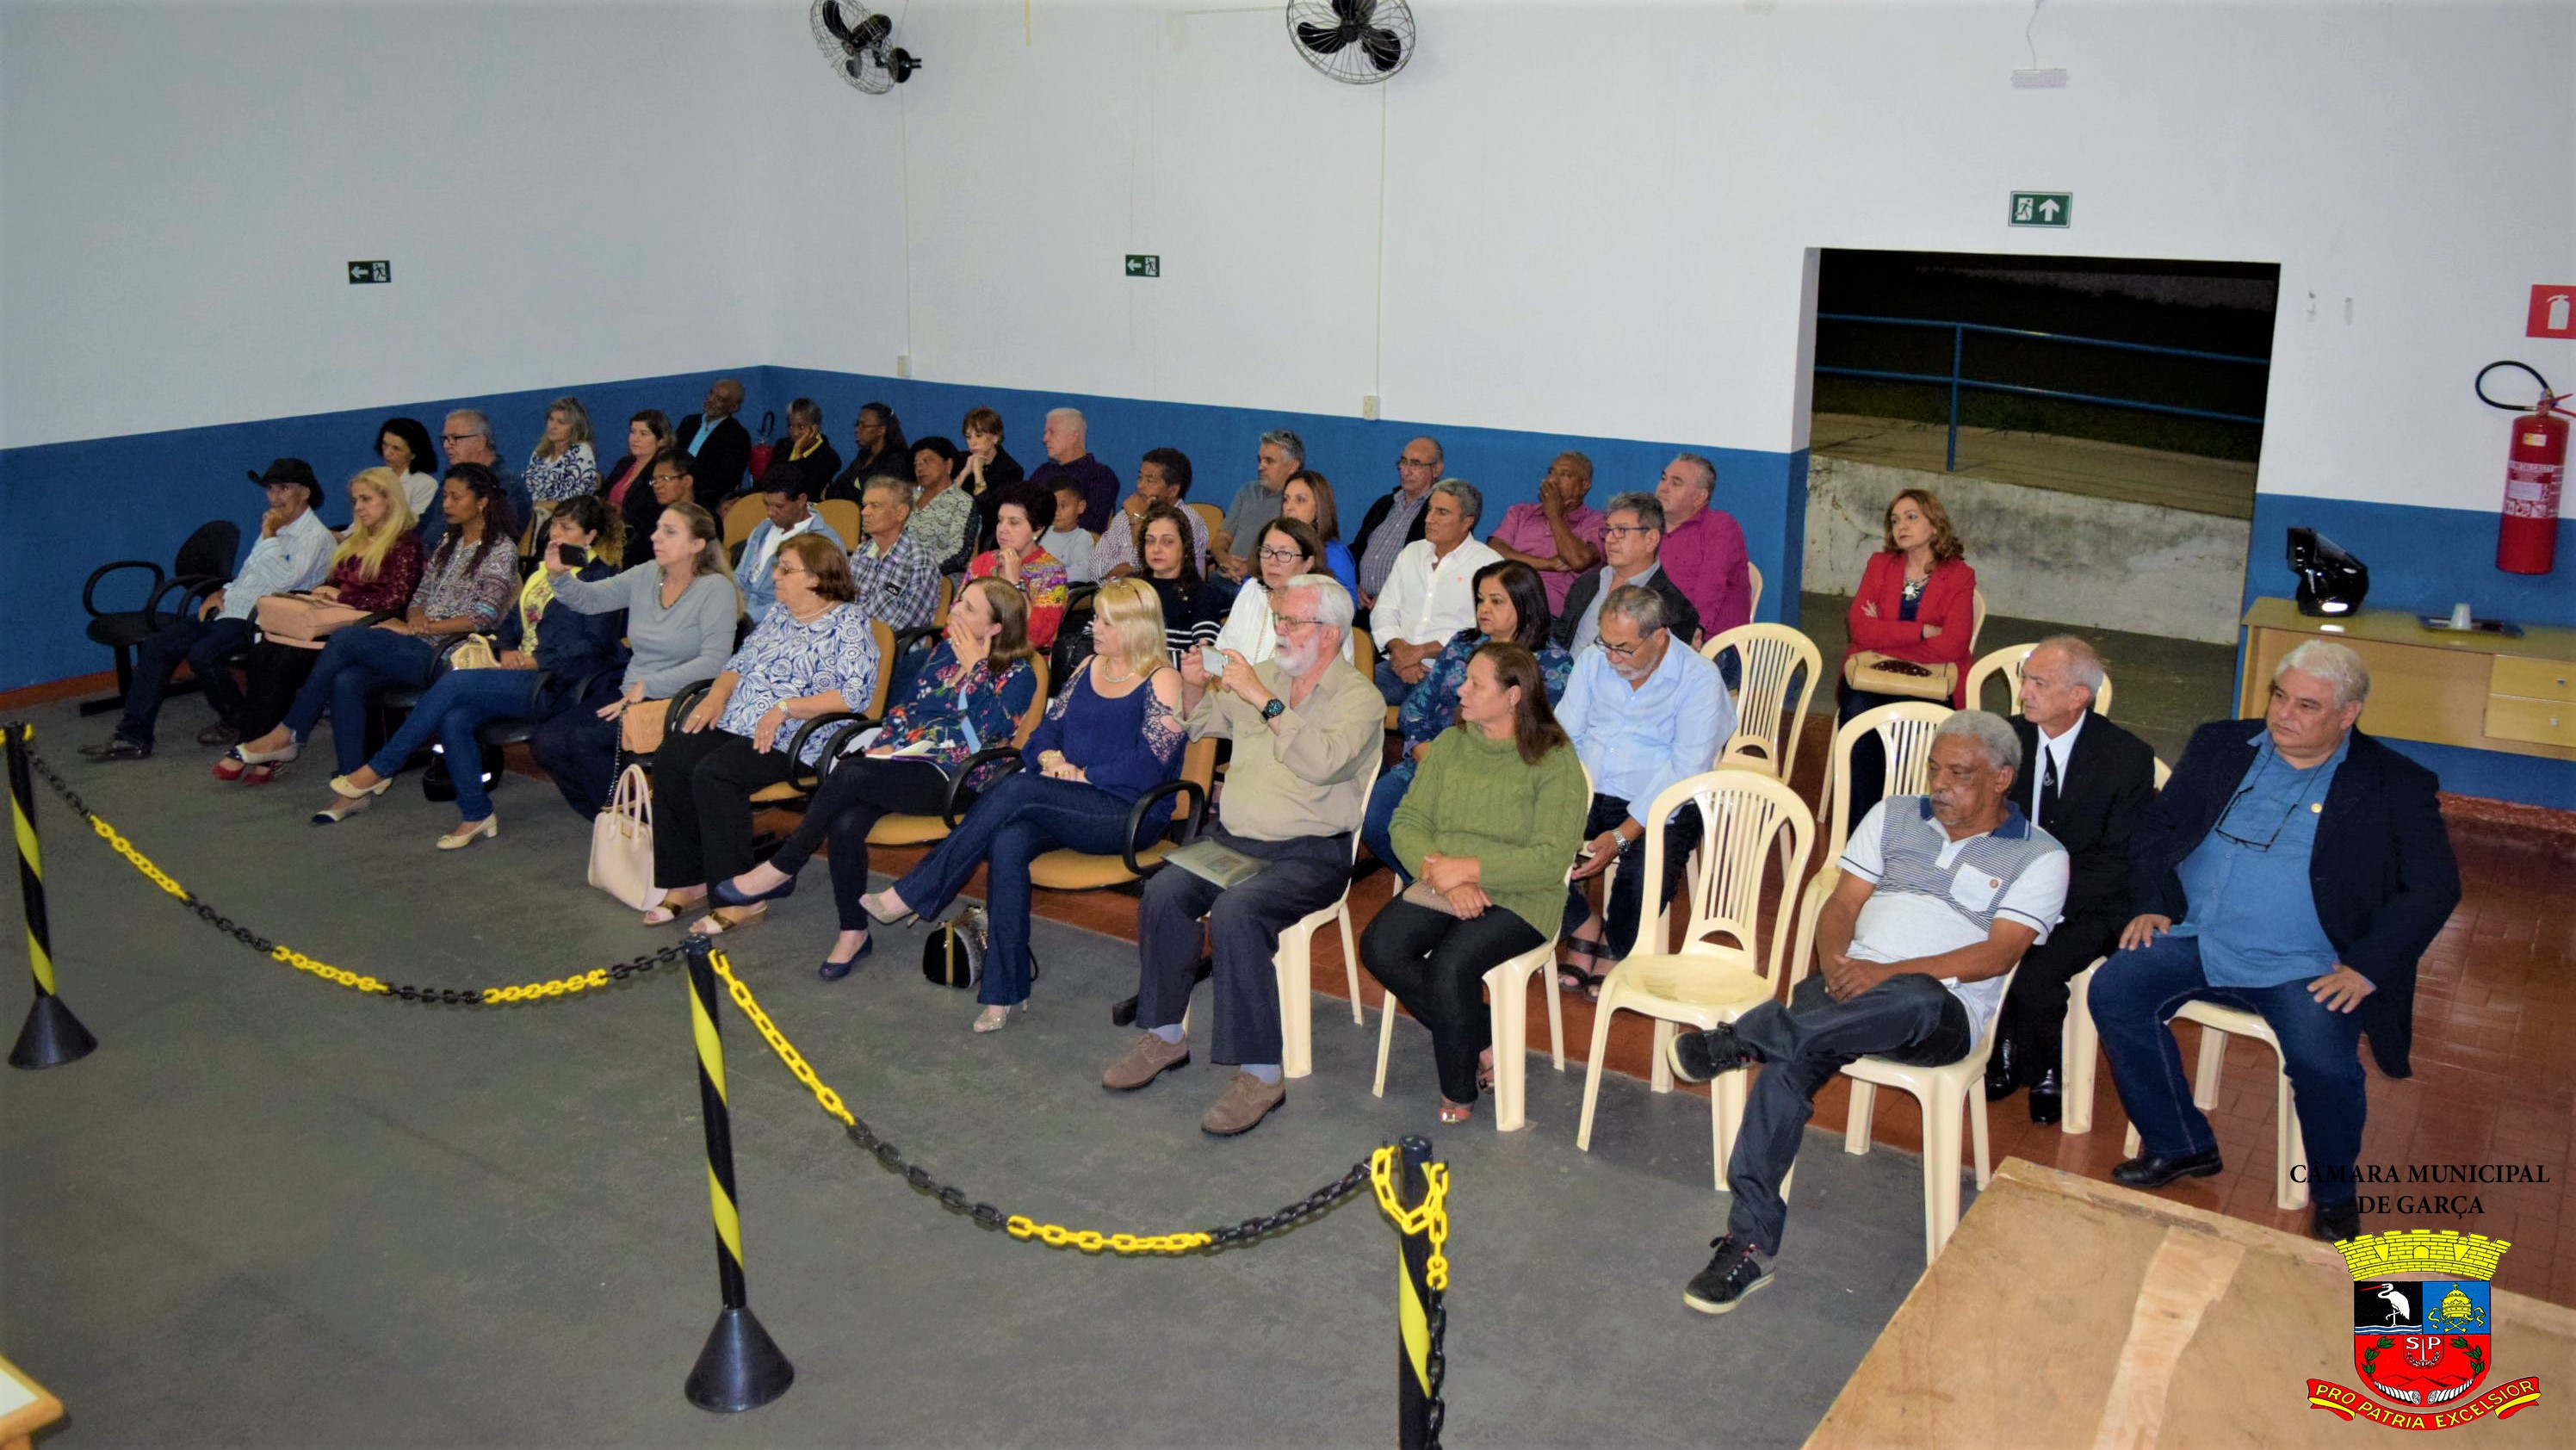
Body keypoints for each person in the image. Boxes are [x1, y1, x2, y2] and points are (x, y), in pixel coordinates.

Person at [1664, 711, 2068, 1314]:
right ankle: (1748, 1246)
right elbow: (1843, 902)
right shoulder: (1893, 816)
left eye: (1959, 774)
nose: (1940, 785)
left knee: (1912, 995)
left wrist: (1886, 973)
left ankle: (1748, 1036)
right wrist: (1833, 962)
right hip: (1845, 990)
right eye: (1936, 769)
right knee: (1786, 1066)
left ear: (2002, 778)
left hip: (1940, 1009)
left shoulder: (2041, 856)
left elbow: (1996, 954)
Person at [2090, 641, 2459, 1243]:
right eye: (2280, 696)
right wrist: (2154, 901)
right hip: (2196, 937)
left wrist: (2366, 968)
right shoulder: (2219, 744)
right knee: (2115, 990)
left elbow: (2434, 887)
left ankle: (2336, 1194)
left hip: (2305, 965)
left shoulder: (2394, 783)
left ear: (2348, 714)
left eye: (2306, 705)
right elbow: (2160, 826)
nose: (2284, 713)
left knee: (2325, 1066)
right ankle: (2180, 1144)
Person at [1099, 573, 1384, 1134]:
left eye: (1292, 621)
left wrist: (1262, 697)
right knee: (1164, 891)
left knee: (1237, 911)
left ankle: (1260, 1073)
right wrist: (1193, 686)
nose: (1280, 630)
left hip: (1311, 853)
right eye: (1278, 619)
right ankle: (1164, 1036)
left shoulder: (1361, 700)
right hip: (1237, 840)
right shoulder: (1268, 674)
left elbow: (1322, 763)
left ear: (1329, 633)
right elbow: (1200, 724)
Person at [859, 579, 1186, 1033]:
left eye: (1108, 622)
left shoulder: (1163, 679)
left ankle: (915, 892)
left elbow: (1152, 763)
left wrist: (1084, 774)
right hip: (1066, 800)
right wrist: (1053, 759)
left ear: (1136, 628)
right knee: (1008, 840)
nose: (1095, 627)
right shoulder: (1089, 667)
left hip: (1127, 813)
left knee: (1017, 790)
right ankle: (1003, 992)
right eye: (1098, 618)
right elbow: (1044, 734)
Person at [710, 579, 1042, 977]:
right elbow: (905, 711)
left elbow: (979, 737)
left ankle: (784, 864)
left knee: (850, 773)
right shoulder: (942, 655)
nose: (954, 610)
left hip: (957, 778)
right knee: (846, 820)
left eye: (969, 608)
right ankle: (852, 932)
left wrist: (974, 672)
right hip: (904, 764)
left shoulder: (1020, 673)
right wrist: (886, 743)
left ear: (996, 628)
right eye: (959, 602)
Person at [316, 498, 628, 847]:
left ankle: (380, 768)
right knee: (456, 717)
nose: (555, 534)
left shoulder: (603, 578)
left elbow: (594, 647)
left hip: (558, 684)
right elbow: (511, 622)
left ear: (590, 536)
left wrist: (537, 660)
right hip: (515, 672)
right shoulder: (543, 571)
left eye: (567, 528)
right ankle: (476, 813)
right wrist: (508, 649)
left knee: (456, 683)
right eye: (554, 525)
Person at [1362, 642, 1589, 1121]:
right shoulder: (1449, 746)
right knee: (1381, 946)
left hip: (1524, 895)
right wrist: (1443, 873)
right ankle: (1484, 1035)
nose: (1460, 690)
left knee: (1451, 964)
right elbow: (1407, 822)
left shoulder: (1554, 758)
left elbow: (1550, 859)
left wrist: (1468, 869)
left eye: (1475, 684)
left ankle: (1458, 1092)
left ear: (1513, 696)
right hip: (1443, 878)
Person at [229, 464, 522, 805]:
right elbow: (419, 598)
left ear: (482, 502)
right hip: (419, 640)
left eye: (456, 497)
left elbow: (483, 617)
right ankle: (351, 781)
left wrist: (424, 626)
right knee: (347, 678)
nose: (446, 504)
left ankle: (290, 731)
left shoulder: (501, 550)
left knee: (346, 639)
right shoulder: (447, 543)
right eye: (445, 495)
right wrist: (413, 619)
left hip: (451, 653)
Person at [641, 533, 879, 932]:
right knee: (672, 758)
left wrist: (786, 708)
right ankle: (689, 879)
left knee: (716, 773)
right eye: (776, 567)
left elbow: (855, 693)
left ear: (817, 577)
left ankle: (739, 896)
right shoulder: (779, 615)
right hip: (741, 722)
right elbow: (739, 662)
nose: (775, 576)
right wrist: (716, 695)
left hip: (798, 737)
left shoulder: (849, 622)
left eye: (786, 569)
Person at [1984, 636, 2156, 1125]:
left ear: (2078, 696)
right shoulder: (2004, 742)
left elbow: (2119, 858)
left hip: (2089, 901)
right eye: (2026, 679)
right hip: (2007, 887)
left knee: (2037, 970)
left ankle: (2043, 1066)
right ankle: (1999, 1048)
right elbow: (1978, 821)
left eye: (2039, 683)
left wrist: (2045, 903)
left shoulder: (2125, 758)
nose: (2024, 693)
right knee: (1976, 943)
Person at [83, 459, 336, 761]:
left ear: (304, 492)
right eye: (270, 489)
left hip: (262, 617)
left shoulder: (313, 535)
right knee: (157, 645)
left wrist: (269, 534)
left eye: (283, 488)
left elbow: (285, 580)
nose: (275, 497)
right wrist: (221, 591)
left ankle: (240, 721)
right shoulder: (278, 526)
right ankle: (132, 736)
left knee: (204, 654)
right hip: (231, 607)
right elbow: (251, 575)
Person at [1557, 586, 1736, 990]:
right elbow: (1566, 735)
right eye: (1606, 644)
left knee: (1642, 872)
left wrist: (1622, 836)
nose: (1613, 659)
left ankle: (1618, 946)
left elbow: (1685, 768)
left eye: (1624, 648)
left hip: (1663, 802)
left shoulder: (1699, 679)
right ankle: (1583, 924)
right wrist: (1563, 799)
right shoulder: (1593, 660)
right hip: (1588, 788)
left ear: (1659, 636)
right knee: (1518, 837)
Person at [1363, 561, 1572, 882]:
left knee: (1464, 835)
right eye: (1480, 599)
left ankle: (1449, 890)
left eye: (1496, 601)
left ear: (1525, 604)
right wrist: (1425, 751)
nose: (1483, 608)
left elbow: (1535, 732)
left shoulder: (1551, 663)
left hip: (1495, 778)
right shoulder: (1462, 645)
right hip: (1431, 760)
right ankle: (1433, 886)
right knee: (1377, 817)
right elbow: (1415, 709)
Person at [531, 502, 741, 818]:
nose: (655, 537)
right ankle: (611, 820)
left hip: (679, 700)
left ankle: (639, 827)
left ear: (697, 545)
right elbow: (590, 600)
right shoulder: (647, 574)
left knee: (585, 741)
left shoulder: (716, 590)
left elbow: (715, 662)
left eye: (669, 532)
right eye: (658, 528)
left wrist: (649, 685)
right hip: (632, 692)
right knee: (546, 742)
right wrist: (559, 577)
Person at [214, 467, 424, 774]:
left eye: (366, 499)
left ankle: (277, 741)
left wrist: (341, 598)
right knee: (266, 650)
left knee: (285, 660)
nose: (359, 508)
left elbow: (396, 600)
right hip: (333, 624)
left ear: (390, 500)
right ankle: (261, 742)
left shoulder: (405, 543)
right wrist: (325, 592)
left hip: (367, 630)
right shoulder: (356, 539)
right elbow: (336, 584)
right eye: (355, 501)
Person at [1837, 488, 1979, 829]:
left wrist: (1886, 632)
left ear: (1934, 525)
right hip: (1873, 675)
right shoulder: (1880, 564)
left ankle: (1915, 830)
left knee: (1920, 726)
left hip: (1933, 683)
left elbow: (1953, 645)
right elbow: (1860, 628)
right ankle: (1861, 830)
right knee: (1860, 721)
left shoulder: (1959, 575)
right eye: (1895, 519)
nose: (1901, 525)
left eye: (1912, 517)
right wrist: (1921, 632)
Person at [1371, 480, 1503, 705]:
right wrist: (1401, 650)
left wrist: (1422, 651)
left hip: (1451, 673)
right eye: (1430, 509)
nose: (1429, 519)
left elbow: (1482, 632)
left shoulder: (1488, 565)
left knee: (1417, 716)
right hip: (1397, 665)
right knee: (1347, 701)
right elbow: (1384, 609)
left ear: (1467, 522)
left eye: (1441, 513)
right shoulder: (1411, 553)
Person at [1551, 492, 1703, 654]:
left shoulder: (1673, 608)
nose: (1609, 539)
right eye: (1608, 530)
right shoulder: (1588, 582)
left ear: (1651, 539)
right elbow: (1560, 642)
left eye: (1621, 530)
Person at [1213, 517, 1353, 666]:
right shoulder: (1252, 590)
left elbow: (1331, 680)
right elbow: (1224, 649)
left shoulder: (1327, 608)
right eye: (1267, 551)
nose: (1273, 561)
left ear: (1307, 564)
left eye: (1284, 554)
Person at [1486, 451, 1604, 616]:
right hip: (1500, 607)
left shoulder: (1596, 522)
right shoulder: (1520, 513)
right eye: (1551, 472)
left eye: (1565, 475)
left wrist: (1554, 515)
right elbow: (1493, 552)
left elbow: (1578, 561)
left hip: (1549, 618)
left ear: (1585, 486)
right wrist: (1549, 564)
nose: (1552, 480)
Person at [1654, 453, 1752, 639]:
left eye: (1676, 483)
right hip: (1654, 632)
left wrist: (1695, 629)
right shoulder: (1650, 526)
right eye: (1663, 479)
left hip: (1711, 641)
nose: (1663, 488)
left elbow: (1711, 586)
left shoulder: (1720, 527)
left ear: (1700, 497)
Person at [1353, 436, 1442, 623]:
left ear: (1436, 469)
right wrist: (1354, 585)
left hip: (1404, 615)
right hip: (1362, 607)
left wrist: (1391, 597)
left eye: (1416, 464)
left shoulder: (1440, 513)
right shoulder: (1384, 504)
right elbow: (1357, 549)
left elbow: (1436, 566)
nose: (1406, 471)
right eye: (1404, 462)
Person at [968, 496, 1070, 649]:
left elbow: (1037, 638)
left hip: (1017, 657)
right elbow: (955, 617)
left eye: (1013, 522)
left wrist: (1016, 584)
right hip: (968, 647)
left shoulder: (1052, 573)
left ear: (1038, 529)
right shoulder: (983, 561)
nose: (1002, 529)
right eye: (1000, 520)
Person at [1131, 504, 1224, 664]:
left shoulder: (1202, 594)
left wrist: (1133, 662)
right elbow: (1092, 637)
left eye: (1167, 542)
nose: (1156, 549)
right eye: (1149, 541)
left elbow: (1204, 659)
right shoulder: (1129, 587)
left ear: (1185, 546)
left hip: (1173, 684)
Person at [1097, 448, 1209, 580]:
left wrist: (1136, 520)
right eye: (1140, 478)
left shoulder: (1188, 520)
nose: (1140, 486)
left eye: (1150, 481)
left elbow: (1157, 571)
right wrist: (1130, 571)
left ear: (1173, 490)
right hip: (1115, 595)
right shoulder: (1124, 516)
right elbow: (1096, 567)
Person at [736, 462, 827, 623]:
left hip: (776, 623)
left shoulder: (822, 542)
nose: (770, 512)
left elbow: (803, 603)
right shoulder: (764, 527)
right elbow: (740, 577)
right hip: (740, 614)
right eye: (767, 504)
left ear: (801, 500)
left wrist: (745, 617)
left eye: (779, 506)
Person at [848, 475, 941, 630]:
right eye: (864, 505)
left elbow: (904, 626)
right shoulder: (861, 552)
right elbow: (844, 604)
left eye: (875, 506)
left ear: (901, 513)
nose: (864, 512)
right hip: (851, 639)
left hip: (890, 648)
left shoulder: (919, 561)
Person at [1213, 429, 1300, 584]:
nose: (1260, 467)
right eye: (1260, 460)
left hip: (1261, 583)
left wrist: (1250, 568)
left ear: (1292, 466)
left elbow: (1293, 557)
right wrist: (1224, 559)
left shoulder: (1295, 504)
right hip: (1224, 576)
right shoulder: (1247, 491)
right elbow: (1222, 537)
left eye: (1269, 461)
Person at [439, 411, 532, 547]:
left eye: (455, 438)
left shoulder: (507, 486)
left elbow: (499, 542)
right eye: (445, 439)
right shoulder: (449, 482)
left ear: (480, 442)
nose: (446, 445)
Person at [1025, 406, 1120, 534]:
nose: (1045, 439)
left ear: (1073, 437)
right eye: (1045, 432)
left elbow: (1091, 527)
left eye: (1052, 432)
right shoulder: (1043, 473)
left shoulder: (1100, 476)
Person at [672, 379, 752, 505]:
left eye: (719, 399)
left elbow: (725, 481)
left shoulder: (737, 436)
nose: (711, 400)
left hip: (704, 499)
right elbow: (673, 455)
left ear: (734, 407)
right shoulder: (689, 422)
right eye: (711, 393)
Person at [906, 437, 980, 573]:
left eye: (927, 461)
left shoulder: (962, 502)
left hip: (938, 577)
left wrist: (918, 570)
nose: (920, 467)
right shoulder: (906, 498)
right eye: (916, 464)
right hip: (897, 571)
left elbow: (958, 555)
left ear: (949, 465)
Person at [959, 406, 1027, 551]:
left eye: (979, 435)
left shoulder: (1011, 470)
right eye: (968, 437)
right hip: (956, 530)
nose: (972, 442)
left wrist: (978, 474)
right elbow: (946, 500)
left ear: (995, 437)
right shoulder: (962, 459)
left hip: (989, 536)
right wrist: (965, 472)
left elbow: (993, 513)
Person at [621, 449, 702, 571]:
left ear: (687, 481)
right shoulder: (651, 514)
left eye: (665, 478)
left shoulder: (704, 519)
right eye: (655, 480)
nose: (657, 485)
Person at [1279, 469, 1356, 595]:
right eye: (1286, 499)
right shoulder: (1273, 548)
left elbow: (1344, 607)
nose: (1289, 507)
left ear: (1319, 507)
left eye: (1300, 500)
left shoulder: (1334, 554)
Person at [603, 411, 673, 538]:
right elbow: (603, 493)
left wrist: (622, 514)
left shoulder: (660, 472)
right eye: (632, 431)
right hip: (608, 531)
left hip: (637, 537)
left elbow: (652, 513)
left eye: (643, 434)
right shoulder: (624, 463)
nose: (635, 439)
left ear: (661, 440)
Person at [523, 396, 600, 508]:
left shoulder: (581, 451)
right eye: (551, 419)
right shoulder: (539, 453)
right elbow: (528, 492)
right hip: (536, 517)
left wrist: (535, 505)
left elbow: (572, 502)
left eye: (561, 422)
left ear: (575, 427)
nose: (553, 426)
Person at [829, 400, 903, 501]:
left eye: (864, 425)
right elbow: (837, 487)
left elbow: (874, 498)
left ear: (881, 430)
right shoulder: (863, 456)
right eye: (857, 424)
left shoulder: (896, 462)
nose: (857, 429)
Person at [375, 417, 442, 524]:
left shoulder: (425, 484)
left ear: (413, 454)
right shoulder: (375, 479)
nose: (387, 453)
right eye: (385, 445)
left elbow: (414, 525)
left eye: (396, 448)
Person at [771, 397, 841, 494]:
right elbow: (768, 481)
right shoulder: (783, 446)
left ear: (815, 428)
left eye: (801, 427)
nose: (794, 433)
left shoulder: (829, 458)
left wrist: (798, 453)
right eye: (791, 426)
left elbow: (801, 491)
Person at [1040, 478, 1101, 585]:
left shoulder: (1081, 538)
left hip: (1058, 592)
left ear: (1080, 507)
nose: (1056, 512)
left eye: (1063, 506)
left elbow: (1084, 572)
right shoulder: (1042, 532)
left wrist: (1049, 576)